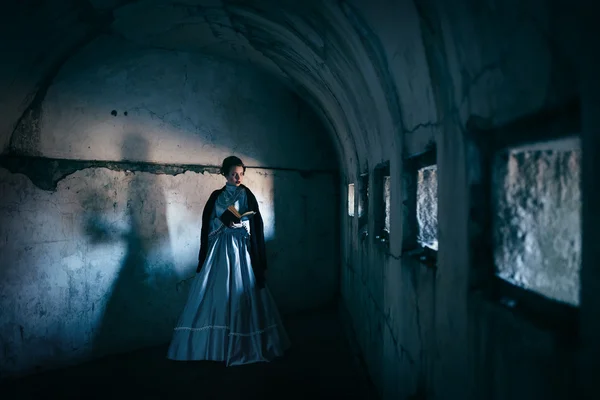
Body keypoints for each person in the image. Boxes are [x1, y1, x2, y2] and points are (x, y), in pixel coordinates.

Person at [167, 156, 290, 366]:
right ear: (224, 174)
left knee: (245, 289)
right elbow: (209, 224)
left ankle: (246, 345)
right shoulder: (216, 196)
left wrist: (243, 225)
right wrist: (224, 224)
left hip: (242, 248)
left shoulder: (246, 194)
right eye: (234, 173)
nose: (238, 177)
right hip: (220, 248)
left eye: (241, 174)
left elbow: (255, 222)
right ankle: (212, 346)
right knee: (218, 290)